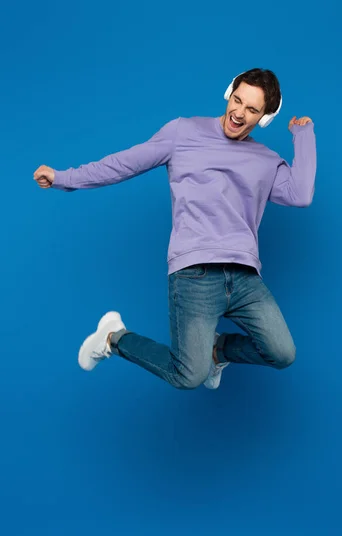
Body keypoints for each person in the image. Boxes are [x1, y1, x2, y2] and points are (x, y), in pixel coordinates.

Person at [33, 68, 316, 391]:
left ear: (264, 118)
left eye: (252, 109)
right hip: (194, 275)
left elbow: (301, 194)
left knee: (282, 353)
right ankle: (114, 338)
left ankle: (217, 348)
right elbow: (124, 163)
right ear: (229, 93)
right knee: (189, 376)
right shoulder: (184, 132)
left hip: (244, 278)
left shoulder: (265, 160)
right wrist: (64, 178)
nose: (239, 113)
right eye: (237, 100)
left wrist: (303, 135)